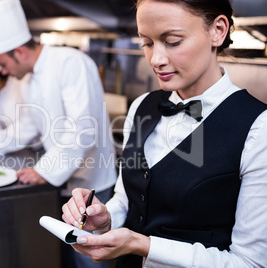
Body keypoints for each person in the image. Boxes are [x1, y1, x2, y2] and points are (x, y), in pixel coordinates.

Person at [61, 0, 267, 267]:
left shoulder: (257, 128)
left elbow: (250, 262)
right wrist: (105, 218)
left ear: (218, 30)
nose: (156, 59)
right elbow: (126, 199)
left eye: (172, 41)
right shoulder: (142, 106)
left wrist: (143, 245)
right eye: (147, 43)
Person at [0, 1, 117, 267]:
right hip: (62, 181)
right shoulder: (28, 78)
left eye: (2, 63)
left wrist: (44, 170)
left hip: (91, 183)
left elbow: (82, 130)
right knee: (69, 254)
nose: (3, 72)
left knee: (91, 259)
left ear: (18, 52)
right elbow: (27, 126)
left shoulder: (72, 63)